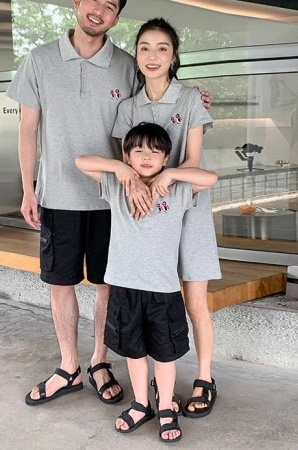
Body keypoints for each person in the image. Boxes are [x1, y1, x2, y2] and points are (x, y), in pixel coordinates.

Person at [5, 0, 212, 406]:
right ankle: (68, 367)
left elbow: (158, 103)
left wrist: (196, 100)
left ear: (117, 18)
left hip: (116, 200)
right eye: (94, 0)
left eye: (111, 6)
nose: (99, 10)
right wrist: (28, 189)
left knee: (107, 285)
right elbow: (27, 128)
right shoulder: (39, 60)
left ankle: (100, 361)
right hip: (59, 193)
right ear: (78, 1)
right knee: (60, 283)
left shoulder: (126, 65)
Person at [76, 122, 218, 443]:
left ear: (165, 158)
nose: (146, 157)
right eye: (138, 151)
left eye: (155, 152)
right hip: (124, 288)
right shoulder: (117, 185)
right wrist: (119, 169)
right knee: (134, 351)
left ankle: (166, 406)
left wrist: (172, 175)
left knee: (165, 354)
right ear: (127, 156)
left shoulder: (177, 190)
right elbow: (81, 162)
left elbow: (210, 178)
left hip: (163, 290)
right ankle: (142, 404)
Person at [112, 18, 222, 419]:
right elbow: (126, 163)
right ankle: (160, 385)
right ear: (136, 55)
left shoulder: (191, 98)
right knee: (153, 297)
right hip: (144, 212)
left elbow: (192, 159)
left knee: (194, 300)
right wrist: (137, 188)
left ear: (174, 56)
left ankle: (205, 378)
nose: (153, 55)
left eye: (162, 48)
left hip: (188, 205)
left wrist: (167, 178)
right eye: (144, 47)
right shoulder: (127, 108)